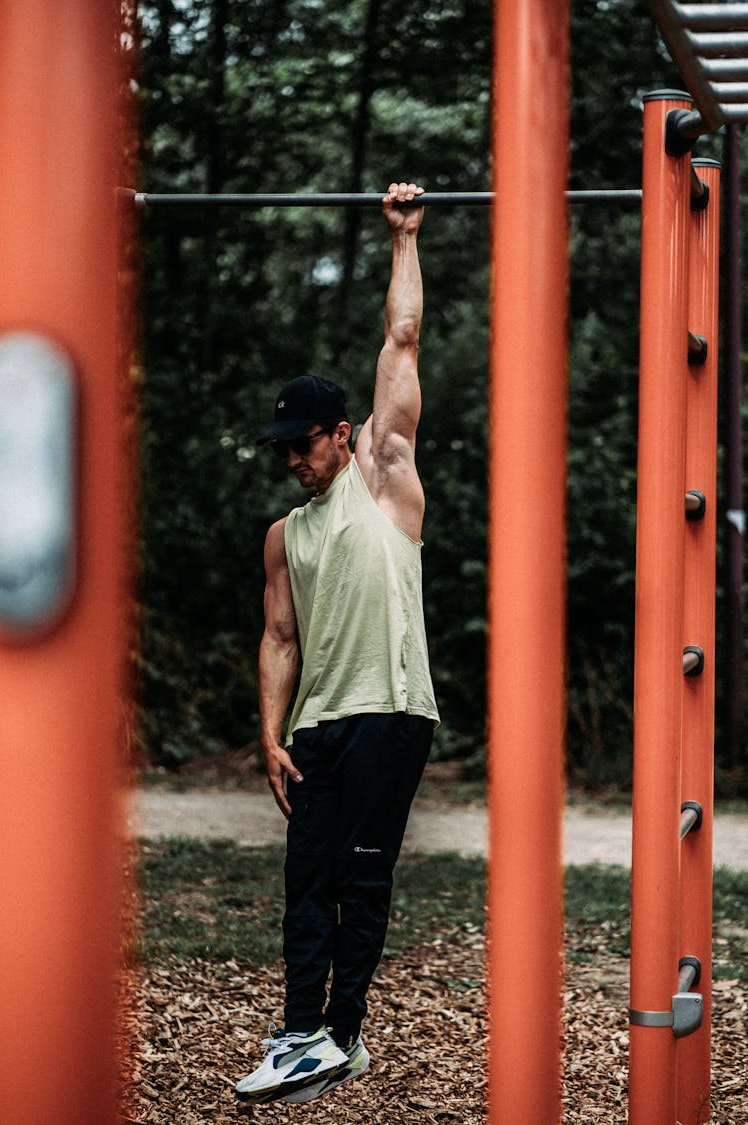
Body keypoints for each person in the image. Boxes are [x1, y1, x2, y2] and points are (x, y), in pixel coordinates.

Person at [235, 181, 440, 1107]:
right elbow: (279, 635)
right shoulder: (286, 533)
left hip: (392, 713)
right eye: (283, 446)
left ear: (343, 434)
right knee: (304, 882)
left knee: (361, 879)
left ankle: (341, 1035)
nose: (292, 458)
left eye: (303, 443)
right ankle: (303, 1032)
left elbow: (402, 342)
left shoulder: (384, 481)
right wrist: (271, 734)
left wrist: (404, 238)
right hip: (319, 725)